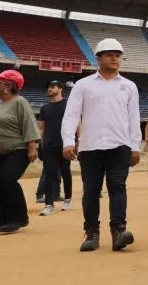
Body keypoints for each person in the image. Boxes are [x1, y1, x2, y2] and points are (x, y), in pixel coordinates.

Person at [61, 38, 141, 252]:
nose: (115, 58)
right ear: (98, 58)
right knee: (91, 191)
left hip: (120, 146)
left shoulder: (129, 86)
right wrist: (69, 141)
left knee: (118, 188)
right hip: (90, 146)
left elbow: (134, 118)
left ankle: (118, 231)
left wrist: (135, 146)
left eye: (117, 55)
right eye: (109, 55)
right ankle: (91, 233)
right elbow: (70, 116)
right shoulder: (83, 85)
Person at [0, 70, 40, 234]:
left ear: (9, 86)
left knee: (8, 180)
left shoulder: (19, 102)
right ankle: (2, 219)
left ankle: (19, 218)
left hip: (18, 149)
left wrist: (32, 147)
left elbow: (29, 124)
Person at [39, 80, 74, 216]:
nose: (49, 89)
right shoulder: (45, 108)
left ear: (60, 89)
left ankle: (68, 198)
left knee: (65, 172)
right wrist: (39, 143)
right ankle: (49, 204)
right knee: (49, 174)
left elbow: (77, 123)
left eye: (52, 87)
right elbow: (42, 127)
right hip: (49, 144)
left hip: (65, 144)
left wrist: (77, 140)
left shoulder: (68, 105)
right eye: (48, 87)